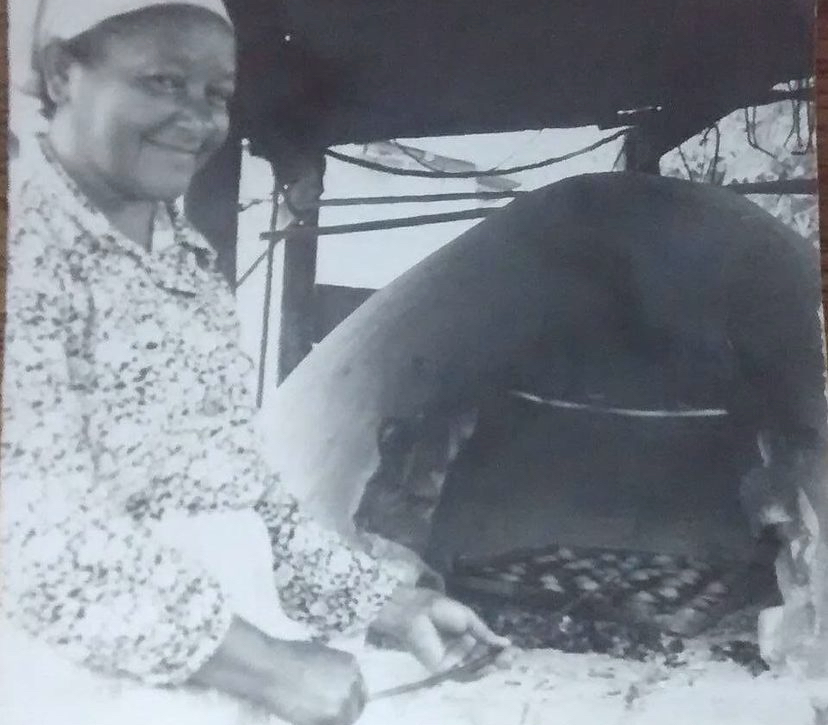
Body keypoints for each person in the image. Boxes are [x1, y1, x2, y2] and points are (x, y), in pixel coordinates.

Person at [0, 2, 511, 724]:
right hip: (67, 684)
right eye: (162, 82)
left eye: (216, 94)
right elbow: (33, 532)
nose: (197, 119)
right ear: (60, 72)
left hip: (214, 673)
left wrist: (388, 604)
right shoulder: (25, 240)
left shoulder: (185, 260)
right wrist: (267, 666)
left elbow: (242, 494)